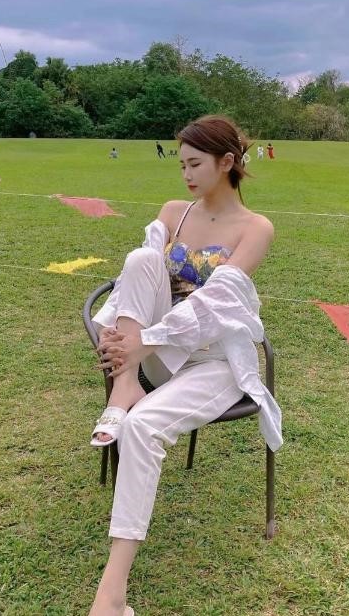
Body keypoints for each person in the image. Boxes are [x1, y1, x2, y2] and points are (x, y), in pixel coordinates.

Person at [88, 115, 283, 616]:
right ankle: (124, 386)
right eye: (181, 165)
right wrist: (121, 335)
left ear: (227, 162)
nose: (186, 175)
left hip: (214, 361)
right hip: (153, 357)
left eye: (195, 164)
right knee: (140, 259)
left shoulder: (255, 228)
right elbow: (136, 283)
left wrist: (143, 341)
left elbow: (215, 303)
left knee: (143, 426)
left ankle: (111, 595)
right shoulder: (173, 213)